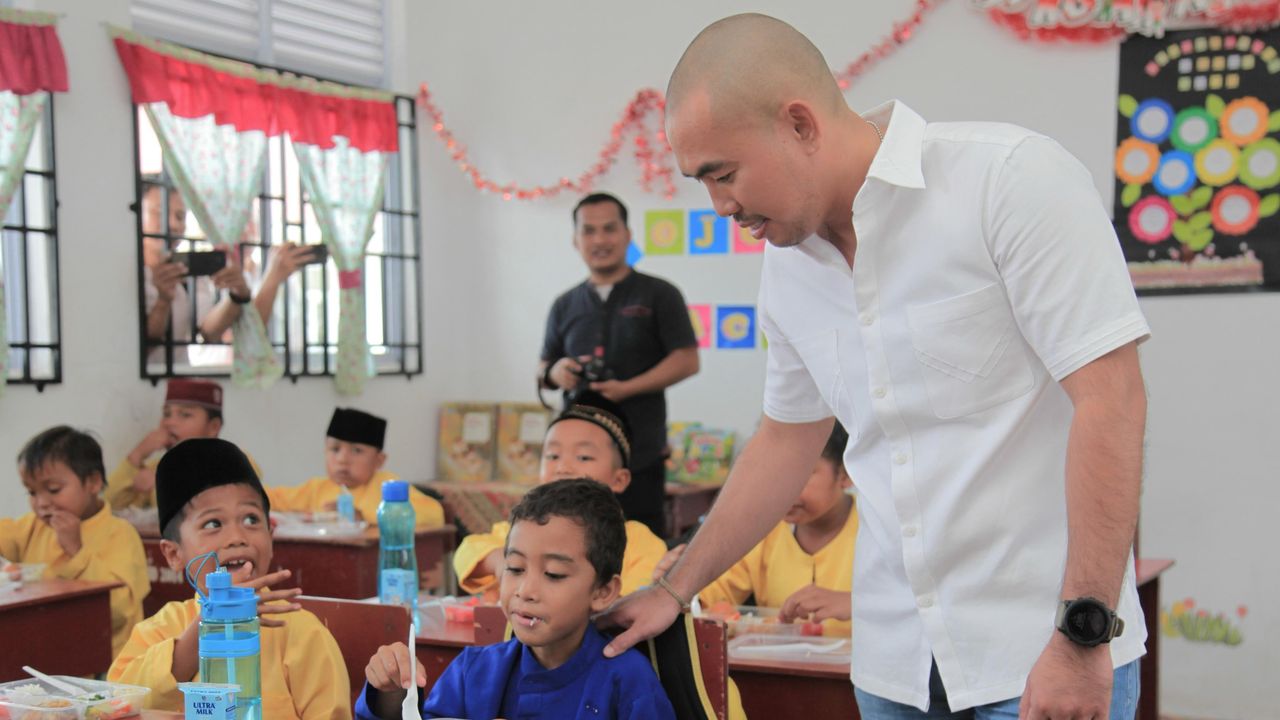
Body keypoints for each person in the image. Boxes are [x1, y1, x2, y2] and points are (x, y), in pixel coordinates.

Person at [601, 13, 1149, 720]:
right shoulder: (788, 268)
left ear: (799, 124)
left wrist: (1083, 632)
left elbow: (1112, 402)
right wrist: (675, 589)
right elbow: (785, 440)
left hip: (1038, 652)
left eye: (724, 175)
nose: (721, 206)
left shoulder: (1008, 181)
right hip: (894, 668)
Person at [355, 478, 676, 720]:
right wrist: (391, 694)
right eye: (515, 568)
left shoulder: (628, 682)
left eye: (553, 574)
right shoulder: (474, 671)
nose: (525, 590)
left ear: (603, 591)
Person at [108, 438, 351, 719]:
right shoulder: (158, 631)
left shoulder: (302, 634)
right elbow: (119, 704)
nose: (237, 537)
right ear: (174, 554)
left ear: (271, 538)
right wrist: (207, 627)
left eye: (251, 520)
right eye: (213, 524)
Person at [539, 192, 700, 535]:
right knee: (573, 543)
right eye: (589, 231)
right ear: (576, 240)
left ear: (628, 235)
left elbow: (687, 360)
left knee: (642, 543)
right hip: (574, 461)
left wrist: (628, 388)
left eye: (609, 229)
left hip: (640, 455)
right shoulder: (564, 304)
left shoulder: (660, 294)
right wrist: (556, 372)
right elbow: (544, 369)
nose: (600, 240)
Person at [453, 393, 666, 599]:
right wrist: (500, 562)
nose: (563, 467)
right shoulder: (523, 530)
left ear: (619, 479)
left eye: (583, 457)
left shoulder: (641, 544)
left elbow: (634, 600)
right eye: (553, 456)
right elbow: (467, 551)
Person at [658, 421, 856, 637]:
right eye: (773, 474)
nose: (783, 490)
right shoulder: (763, 529)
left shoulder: (877, 532)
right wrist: (678, 586)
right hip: (776, 658)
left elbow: (887, 604)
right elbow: (708, 598)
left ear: (846, 474)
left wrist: (858, 604)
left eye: (802, 473)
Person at [1, 426, 150, 656]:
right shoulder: (33, 526)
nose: (41, 503)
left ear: (93, 483)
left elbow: (118, 610)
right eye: (32, 492)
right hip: (47, 653)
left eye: (53, 489)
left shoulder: (120, 533)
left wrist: (76, 551)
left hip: (105, 663)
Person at [266, 407, 445, 528]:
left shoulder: (386, 485)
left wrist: (365, 517)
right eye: (335, 449)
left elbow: (434, 514)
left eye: (357, 451)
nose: (342, 459)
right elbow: (270, 498)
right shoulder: (316, 488)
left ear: (379, 461)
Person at [105, 378, 261, 510]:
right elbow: (109, 506)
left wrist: (161, 485)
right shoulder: (157, 468)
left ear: (213, 427)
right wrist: (137, 455)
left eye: (185, 415)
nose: (170, 422)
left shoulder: (236, 462)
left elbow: (206, 512)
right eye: (167, 414)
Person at [140, 180, 249, 348]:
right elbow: (136, 347)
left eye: (180, 216)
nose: (173, 225)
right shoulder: (118, 270)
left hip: (181, 366)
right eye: (160, 212)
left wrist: (237, 294)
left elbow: (209, 332)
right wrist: (163, 301)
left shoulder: (188, 270)